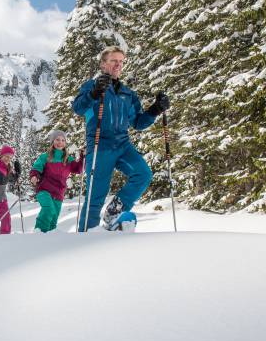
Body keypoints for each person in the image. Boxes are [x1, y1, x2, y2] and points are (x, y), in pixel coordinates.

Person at [72, 45, 170, 231]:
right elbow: (78, 108)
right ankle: (85, 236)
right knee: (96, 195)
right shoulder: (91, 86)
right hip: (100, 144)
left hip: (123, 145)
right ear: (103, 64)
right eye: (113, 61)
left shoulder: (127, 94)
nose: (118, 65)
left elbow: (138, 123)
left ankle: (114, 211)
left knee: (143, 174)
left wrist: (156, 109)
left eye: (121, 61)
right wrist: (94, 93)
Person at [29, 130, 84, 233]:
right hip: (44, 190)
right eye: (57, 139)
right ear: (52, 141)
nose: (60, 142)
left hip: (59, 192)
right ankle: (39, 233)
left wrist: (82, 157)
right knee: (49, 209)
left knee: (54, 217)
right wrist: (34, 176)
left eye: (63, 140)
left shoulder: (68, 159)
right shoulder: (45, 156)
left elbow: (78, 169)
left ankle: (50, 238)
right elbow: (36, 168)